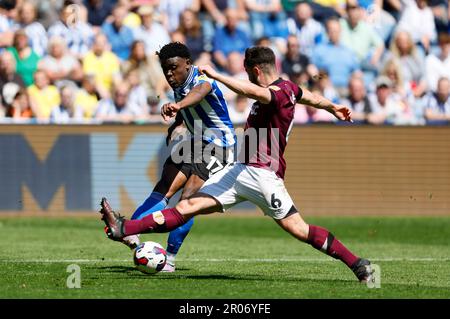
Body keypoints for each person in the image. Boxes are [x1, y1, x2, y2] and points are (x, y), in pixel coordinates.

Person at [99, 46, 374, 283]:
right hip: (239, 170)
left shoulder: (276, 93)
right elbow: (311, 97)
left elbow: (251, 91)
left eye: (247, 73)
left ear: (255, 71)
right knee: (186, 207)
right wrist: (333, 107)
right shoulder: (291, 89)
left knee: (300, 230)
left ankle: (357, 263)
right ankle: (124, 229)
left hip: (263, 176)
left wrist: (217, 75)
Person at [107, 42, 236, 273]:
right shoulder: (179, 84)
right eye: (165, 69)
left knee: (187, 200)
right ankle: (129, 231)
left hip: (218, 146)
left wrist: (178, 106)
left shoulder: (201, 79)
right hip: (195, 142)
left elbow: (199, 95)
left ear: (188, 64)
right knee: (163, 189)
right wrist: (178, 122)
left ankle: (171, 258)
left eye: (173, 67)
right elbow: (190, 110)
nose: (169, 74)